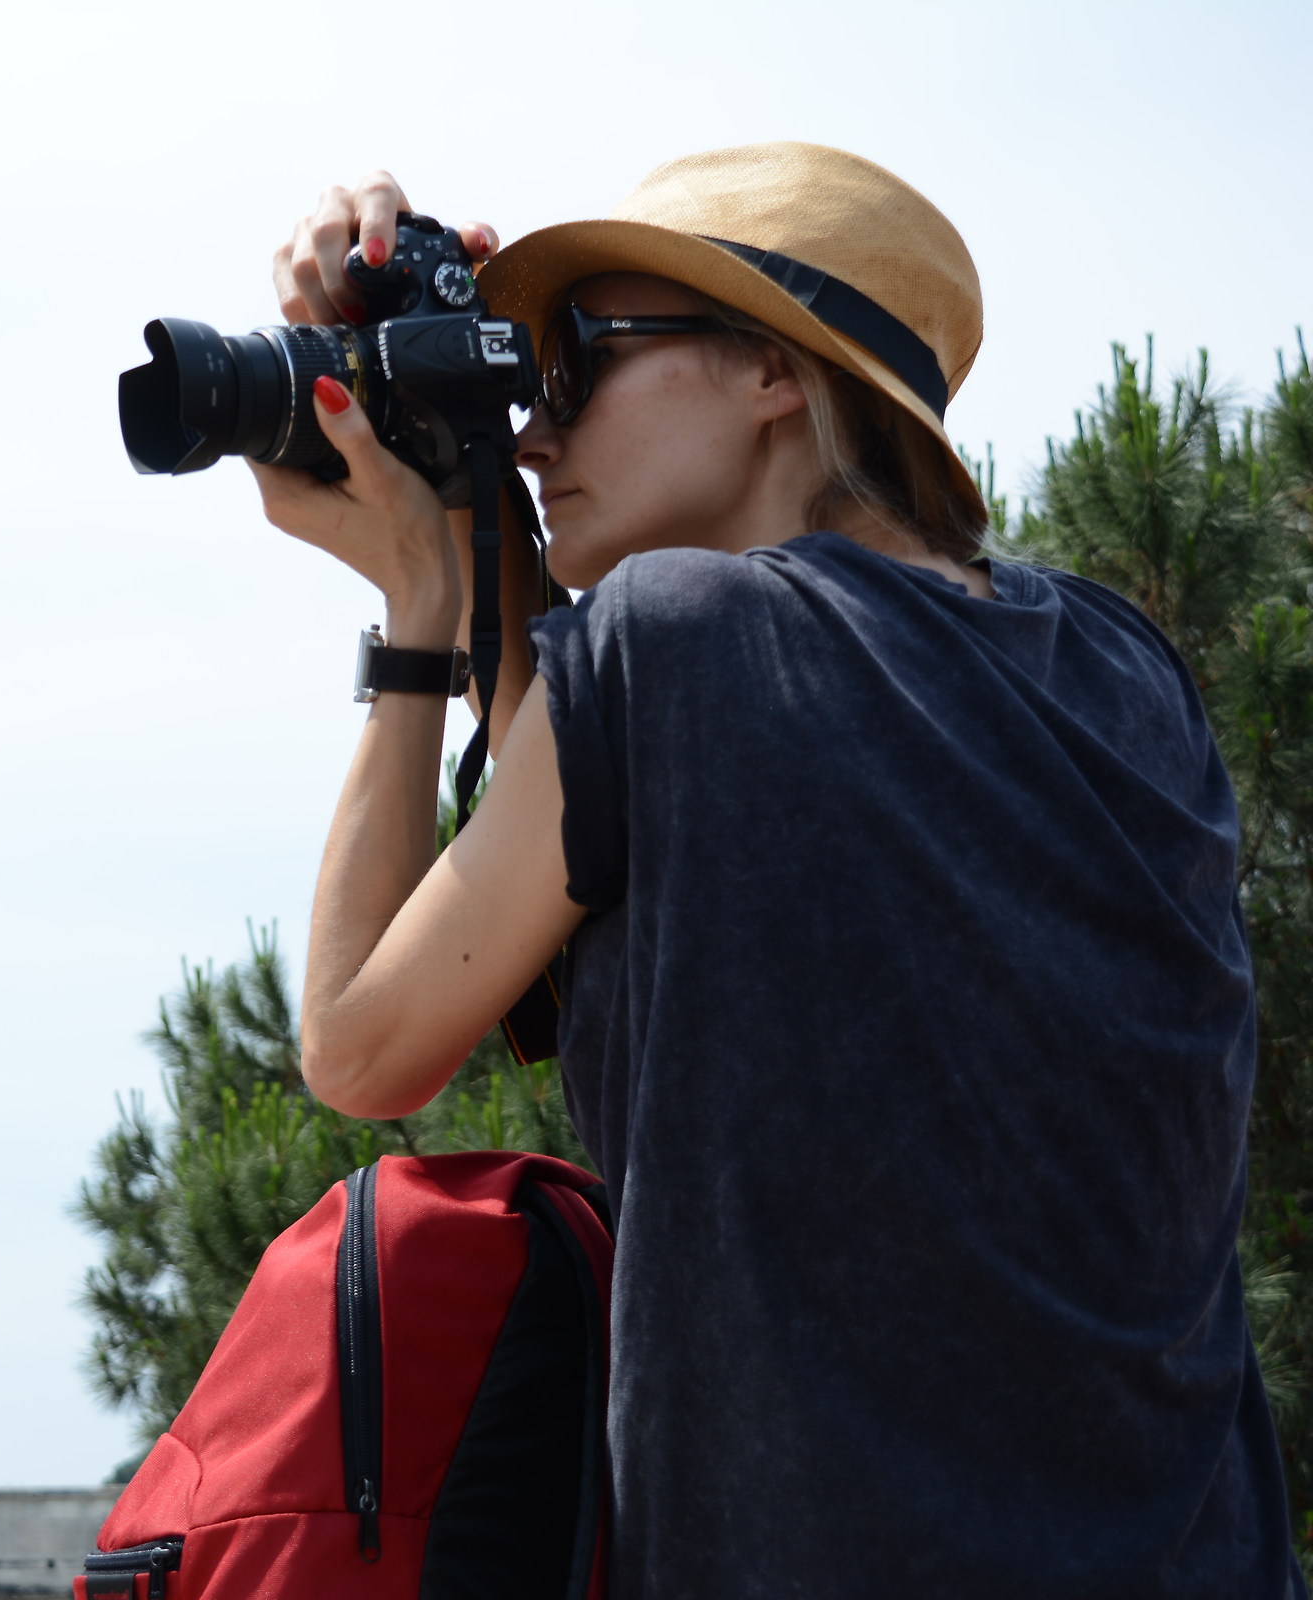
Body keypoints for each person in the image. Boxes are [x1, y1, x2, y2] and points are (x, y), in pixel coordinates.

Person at [256, 145, 1300, 1598]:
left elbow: (362, 1043)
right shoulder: (1125, 669)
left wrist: (420, 609)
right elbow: (630, 811)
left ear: (772, 372)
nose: (541, 436)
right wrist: (485, 504)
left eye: (581, 373)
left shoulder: (670, 650)